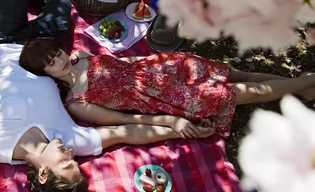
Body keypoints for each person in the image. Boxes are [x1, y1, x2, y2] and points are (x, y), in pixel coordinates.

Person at [0, 0, 216, 192]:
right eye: (74, 162)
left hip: (6, 43)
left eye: (65, 164)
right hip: (48, 46)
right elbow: (126, 133)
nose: (69, 156)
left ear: (43, 174)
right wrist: (178, 127)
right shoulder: (72, 142)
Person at [19, 41, 315, 139]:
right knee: (240, 91)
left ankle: (302, 86)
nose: (58, 60)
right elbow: (127, 121)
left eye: (55, 53)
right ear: (44, 73)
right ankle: (305, 81)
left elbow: (128, 62)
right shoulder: (76, 102)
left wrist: (163, 59)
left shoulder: (81, 56)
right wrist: (172, 122)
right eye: (49, 63)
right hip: (165, 98)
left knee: (236, 73)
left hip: (162, 69)